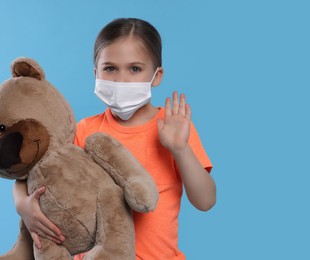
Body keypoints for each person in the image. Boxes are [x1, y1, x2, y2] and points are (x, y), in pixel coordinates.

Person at [13, 17, 216, 259]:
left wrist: (180, 149)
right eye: (110, 68)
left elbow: (206, 201)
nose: (121, 79)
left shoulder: (175, 129)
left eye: (135, 69)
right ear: (95, 73)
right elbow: (31, 172)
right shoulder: (84, 130)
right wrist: (22, 205)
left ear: (157, 75)